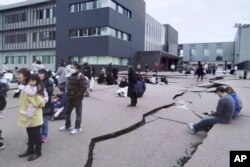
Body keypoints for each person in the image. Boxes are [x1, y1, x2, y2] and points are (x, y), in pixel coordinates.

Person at [17, 70, 48, 161]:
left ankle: (38, 152)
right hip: (27, 115)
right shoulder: (27, 86)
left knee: (36, 135)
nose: (18, 76)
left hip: (35, 116)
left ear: (25, 76)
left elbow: (42, 101)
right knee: (30, 134)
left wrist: (35, 103)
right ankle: (30, 150)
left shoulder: (36, 88)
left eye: (20, 74)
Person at [59, 63, 87, 135]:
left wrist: (77, 96)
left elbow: (83, 87)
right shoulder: (71, 75)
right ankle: (67, 126)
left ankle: (77, 128)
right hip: (70, 98)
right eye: (71, 67)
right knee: (67, 113)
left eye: (73, 67)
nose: (71, 68)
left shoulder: (80, 76)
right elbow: (69, 86)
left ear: (77, 69)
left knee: (78, 114)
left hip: (77, 99)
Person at [38, 69, 54, 143]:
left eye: (42, 74)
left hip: (46, 105)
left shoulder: (49, 82)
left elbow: (49, 92)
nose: (40, 75)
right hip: (38, 104)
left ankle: (44, 136)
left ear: (45, 74)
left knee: (44, 121)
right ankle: (38, 135)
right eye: (39, 73)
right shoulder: (37, 81)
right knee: (38, 121)